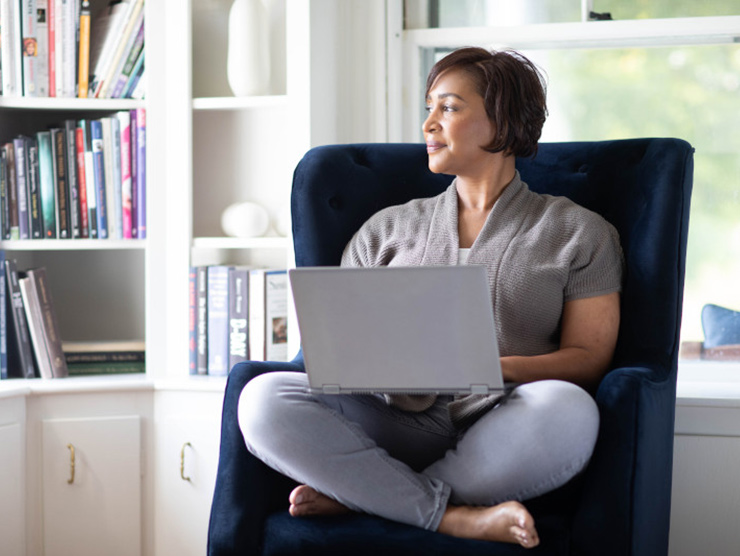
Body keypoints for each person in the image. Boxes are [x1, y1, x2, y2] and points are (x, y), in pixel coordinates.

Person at [238, 47, 623, 549]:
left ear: (501, 120)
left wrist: (489, 366)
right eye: (429, 107)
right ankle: (450, 517)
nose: (428, 124)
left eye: (449, 107)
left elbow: (589, 360)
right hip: (389, 420)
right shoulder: (386, 229)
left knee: (570, 410)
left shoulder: (579, 232)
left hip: (501, 423)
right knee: (263, 399)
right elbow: (338, 345)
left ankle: (365, 496)